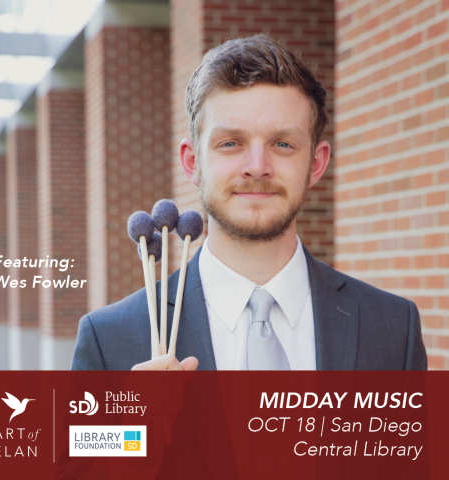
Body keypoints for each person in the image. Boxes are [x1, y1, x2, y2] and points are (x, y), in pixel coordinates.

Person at [72, 34, 427, 373]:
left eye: (283, 144)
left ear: (316, 164)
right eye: (230, 143)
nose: (257, 166)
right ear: (192, 162)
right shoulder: (109, 339)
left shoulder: (395, 329)